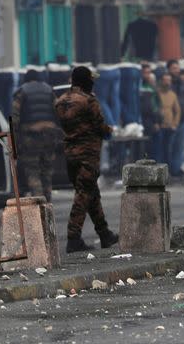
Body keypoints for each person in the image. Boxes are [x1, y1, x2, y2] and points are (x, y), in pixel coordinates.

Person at [55, 66, 119, 253]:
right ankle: (73, 238)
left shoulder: (60, 102)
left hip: (70, 155)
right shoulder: (89, 101)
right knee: (83, 195)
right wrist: (111, 132)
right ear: (87, 81)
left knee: (91, 194)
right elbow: (100, 126)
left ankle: (104, 233)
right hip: (87, 156)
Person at [11, 69, 63, 202]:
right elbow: (60, 113)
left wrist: (14, 142)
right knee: (47, 172)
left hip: (30, 138)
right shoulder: (49, 90)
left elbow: (14, 119)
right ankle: (48, 201)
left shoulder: (21, 91)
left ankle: (40, 203)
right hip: (50, 137)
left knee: (32, 171)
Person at [156, 72, 180, 173]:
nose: (167, 82)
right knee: (159, 150)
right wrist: (156, 123)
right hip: (159, 126)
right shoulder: (156, 93)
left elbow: (177, 110)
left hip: (170, 127)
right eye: (165, 80)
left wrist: (175, 124)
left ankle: (167, 172)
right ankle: (157, 172)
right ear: (161, 81)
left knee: (168, 150)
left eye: (169, 80)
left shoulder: (173, 95)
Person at [140, 63, 162, 161]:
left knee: (154, 145)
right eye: (145, 73)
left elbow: (156, 106)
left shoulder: (152, 88)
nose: (147, 75)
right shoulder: (139, 86)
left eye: (149, 73)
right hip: (143, 120)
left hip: (151, 121)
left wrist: (156, 121)